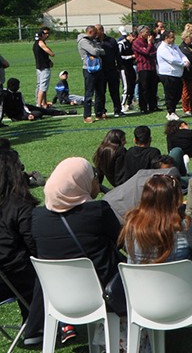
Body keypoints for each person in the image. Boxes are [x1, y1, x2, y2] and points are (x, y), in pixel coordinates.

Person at [30, 157, 123, 319]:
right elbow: (120, 240)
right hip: (103, 293)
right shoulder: (98, 211)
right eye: (93, 177)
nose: (95, 181)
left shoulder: (38, 217)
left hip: (58, 298)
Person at [0, 148, 43, 346]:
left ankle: (32, 322)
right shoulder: (20, 205)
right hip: (15, 280)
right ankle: (36, 325)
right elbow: (34, 247)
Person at [120, 175, 192, 264]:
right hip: (179, 277)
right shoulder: (185, 228)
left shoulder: (132, 226)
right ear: (176, 200)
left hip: (141, 277)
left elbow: (131, 262)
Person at [155, 30, 188, 120]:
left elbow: (182, 55)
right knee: (170, 94)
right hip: (168, 74)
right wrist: (183, 64)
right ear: (166, 38)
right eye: (172, 37)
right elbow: (171, 60)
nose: (174, 39)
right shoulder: (162, 48)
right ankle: (170, 112)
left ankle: (172, 110)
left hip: (177, 74)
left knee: (178, 93)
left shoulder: (174, 47)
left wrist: (186, 60)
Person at [76, 25, 104, 123]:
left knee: (100, 92)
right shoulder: (83, 41)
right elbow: (94, 51)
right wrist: (97, 51)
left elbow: (102, 51)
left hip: (98, 68)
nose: (97, 35)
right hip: (89, 69)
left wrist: (98, 51)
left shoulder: (93, 41)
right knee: (89, 93)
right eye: (95, 33)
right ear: (91, 32)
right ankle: (87, 116)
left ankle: (99, 113)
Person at [132, 25, 159, 115]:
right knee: (144, 88)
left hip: (152, 66)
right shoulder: (136, 42)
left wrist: (149, 47)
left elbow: (155, 52)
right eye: (146, 33)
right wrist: (150, 44)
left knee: (153, 87)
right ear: (141, 33)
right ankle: (143, 107)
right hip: (143, 68)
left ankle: (153, 106)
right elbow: (146, 52)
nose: (148, 34)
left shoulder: (148, 42)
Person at [32, 26, 54, 110]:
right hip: (44, 68)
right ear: (41, 35)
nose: (47, 35)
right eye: (45, 33)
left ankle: (43, 103)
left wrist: (49, 60)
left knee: (40, 86)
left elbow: (42, 55)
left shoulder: (35, 43)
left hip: (39, 67)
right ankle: (38, 106)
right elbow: (51, 53)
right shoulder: (41, 43)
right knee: (43, 87)